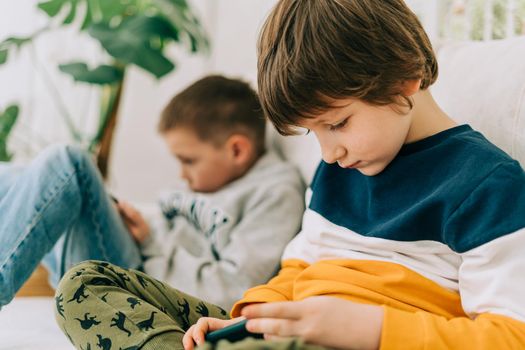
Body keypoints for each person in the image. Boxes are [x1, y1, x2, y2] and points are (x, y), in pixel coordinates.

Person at [54, 1, 525, 349]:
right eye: (313, 132)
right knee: (84, 284)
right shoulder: (340, 168)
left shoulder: (487, 186)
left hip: (352, 342)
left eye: (337, 123)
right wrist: (248, 318)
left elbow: (510, 335)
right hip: (285, 332)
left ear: (404, 80)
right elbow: (298, 270)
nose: (329, 151)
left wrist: (365, 330)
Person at [0, 75, 305, 311]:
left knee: (69, 163)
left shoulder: (274, 192)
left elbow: (230, 291)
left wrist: (151, 241)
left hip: (146, 288)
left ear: (237, 150)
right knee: (13, 175)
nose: (182, 174)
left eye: (189, 160)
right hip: (136, 261)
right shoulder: (211, 180)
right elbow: (172, 229)